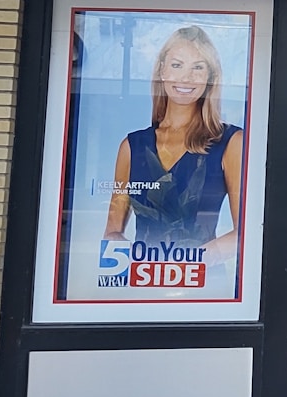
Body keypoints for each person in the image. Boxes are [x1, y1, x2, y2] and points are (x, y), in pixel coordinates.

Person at [104, 25, 246, 263]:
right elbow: (111, 233)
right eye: (177, 65)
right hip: (143, 282)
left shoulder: (231, 142)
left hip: (203, 284)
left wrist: (185, 265)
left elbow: (245, 233)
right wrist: (145, 266)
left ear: (211, 77)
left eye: (198, 67)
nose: (186, 78)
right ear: (162, 70)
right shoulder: (132, 146)